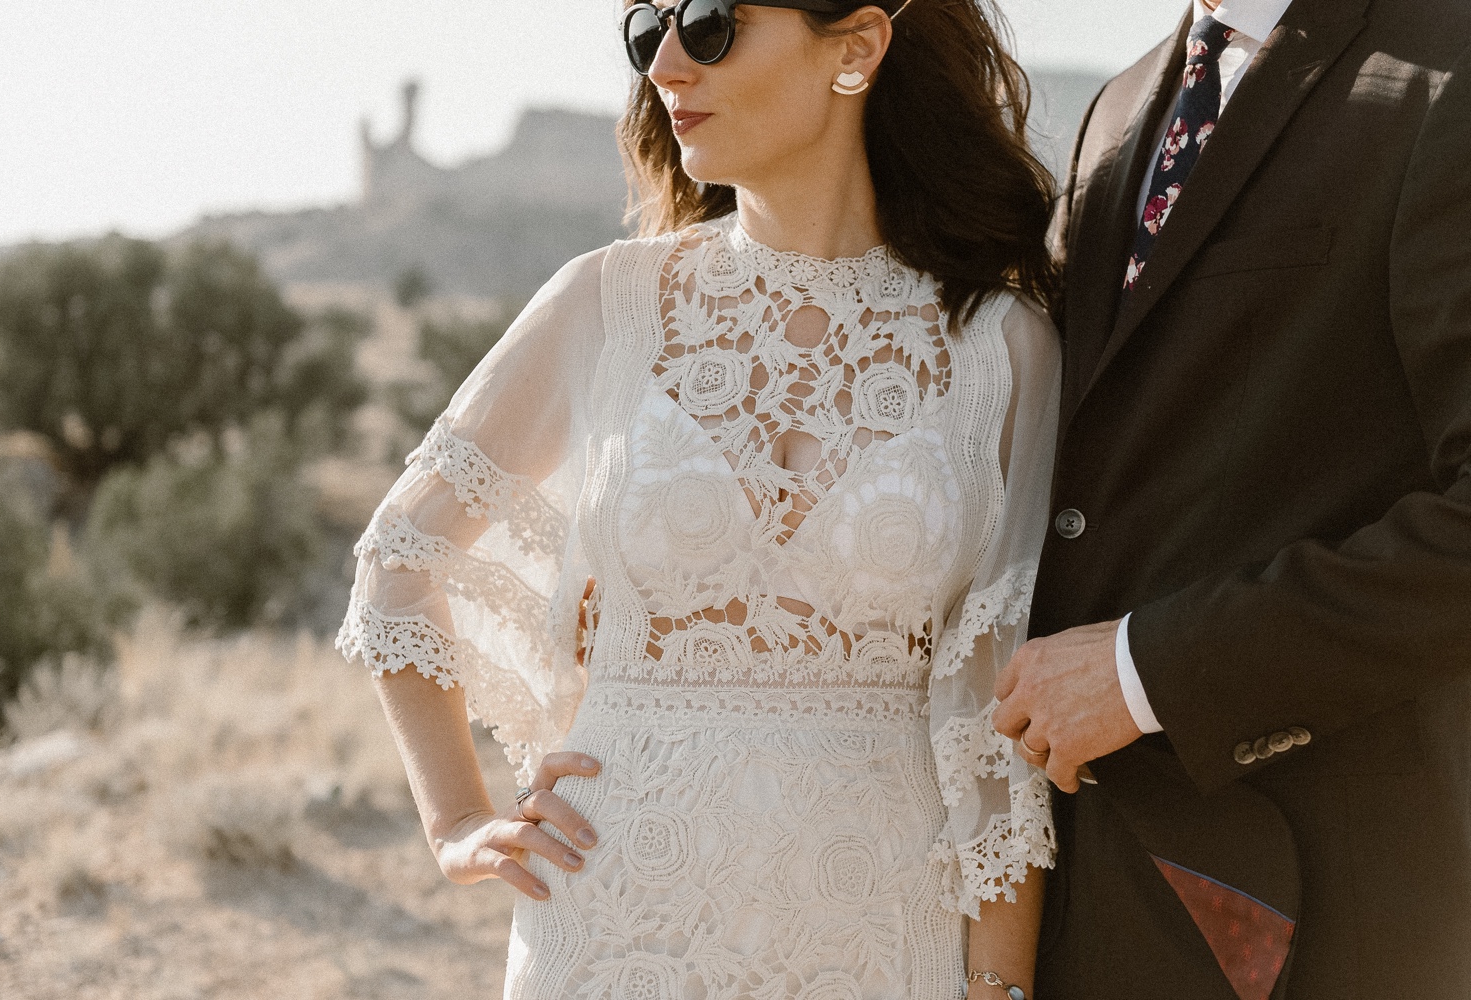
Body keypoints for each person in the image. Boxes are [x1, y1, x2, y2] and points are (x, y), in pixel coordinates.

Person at [337, 0, 1064, 995]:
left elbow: (996, 717)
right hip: (612, 919)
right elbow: (399, 561)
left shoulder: (999, 347)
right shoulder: (607, 302)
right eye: (649, 31)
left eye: (713, 24)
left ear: (854, 47)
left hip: (879, 929)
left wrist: (999, 985)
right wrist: (460, 824)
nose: (668, 64)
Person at [991, 0, 1471, 996]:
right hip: (1087, 896)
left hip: (1329, 909)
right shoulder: (1117, 108)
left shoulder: (1447, 65)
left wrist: (1144, 670)